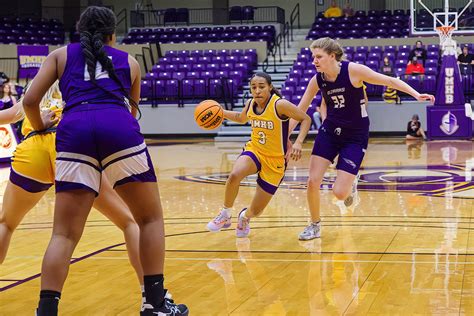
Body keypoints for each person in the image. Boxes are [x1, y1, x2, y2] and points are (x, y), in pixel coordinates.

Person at [21, 6, 187, 316]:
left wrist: (41, 125)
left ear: (80, 32)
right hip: (117, 126)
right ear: (113, 35)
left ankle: (46, 310)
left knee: (63, 234)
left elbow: (30, 101)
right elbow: (132, 110)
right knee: (149, 219)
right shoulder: (132, 62)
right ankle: (155, 303)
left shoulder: (59, 55)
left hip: (73, 130)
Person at [0, 82, 162, 312]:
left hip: (32, 147)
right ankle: (152, 296)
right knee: (129, 222)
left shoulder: (37, 87)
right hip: (69, 148)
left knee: (6, 223)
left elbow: (6, 116)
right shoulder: (85, 87)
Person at [289, 37, 434, 241]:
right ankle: (314, 225)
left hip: (355, 135)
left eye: (319, 56)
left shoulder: (353, 71)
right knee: (313, 181)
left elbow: (389, 80)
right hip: (330, 130)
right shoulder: (317, 79)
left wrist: (416, 94)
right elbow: (300, 109)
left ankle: (351, 184)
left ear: (332, 56)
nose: (314, 60)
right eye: (313, 56)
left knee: (339, 193)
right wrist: (285, 136)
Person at [206, 72, 312, 237]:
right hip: (255, 150)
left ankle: (244, 217)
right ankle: (225, 214)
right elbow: (241, 118)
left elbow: (305, 118)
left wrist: (298, 142)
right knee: (235, 174)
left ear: (270, 87)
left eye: (261, 87)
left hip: (275, 161)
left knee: (257, 210)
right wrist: (220, 112)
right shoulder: (250, 104)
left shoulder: (280, 105)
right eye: (253, 87)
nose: (257, 91)